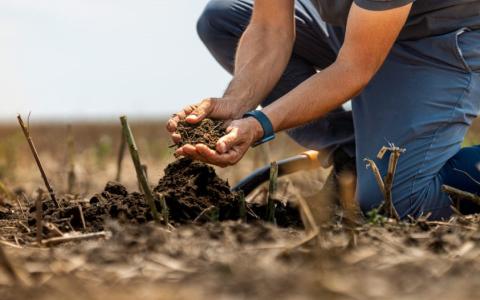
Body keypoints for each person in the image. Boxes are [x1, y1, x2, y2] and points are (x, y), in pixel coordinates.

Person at [166, 0, 480, 220]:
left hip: (436, 40)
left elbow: (354, 68)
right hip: (356, 25)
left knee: (399, 202)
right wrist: (238, 100)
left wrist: (260, 123)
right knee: (224, 18)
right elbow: (269, 28)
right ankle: (354, 155)